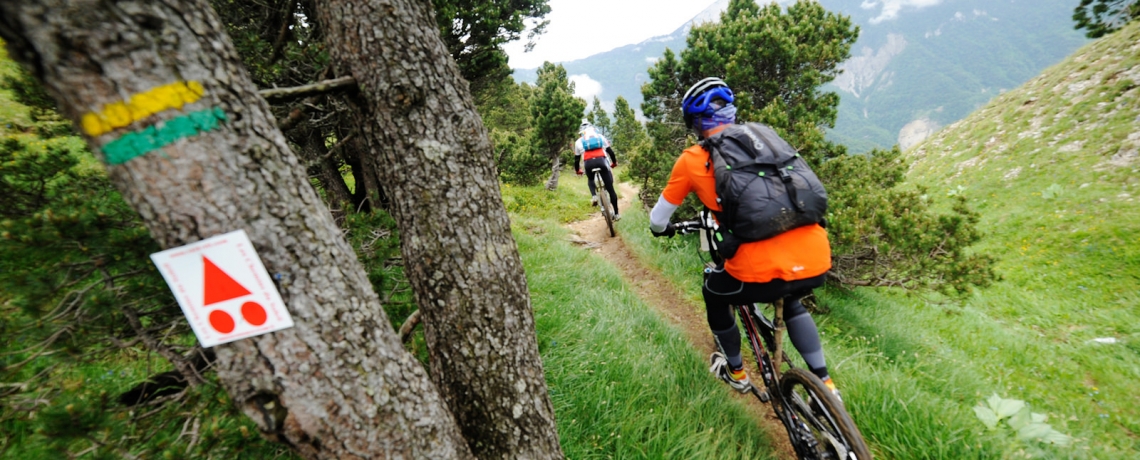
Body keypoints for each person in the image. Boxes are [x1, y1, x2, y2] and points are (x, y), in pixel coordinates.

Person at [647, 77, 838, 397]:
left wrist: (663, 230)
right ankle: (827, 384)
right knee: (793, 302)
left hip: (756, 269)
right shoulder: (766, 138)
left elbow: (657, 219)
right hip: (816, 256)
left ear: (695, 124)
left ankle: (736, 372)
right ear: (732, 114)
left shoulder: (692, 159)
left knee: (714, 291)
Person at [574, 121, 620, 221]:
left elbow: (576, 160)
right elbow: (610, 152)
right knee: (610, 189)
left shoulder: (578, 142)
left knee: (590, 178)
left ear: (581, 132)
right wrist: (614, 163)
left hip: (588, 163)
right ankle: (616, 214)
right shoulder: (600, 137)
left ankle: (594, 196)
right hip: (602, 162)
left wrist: (578, 170)